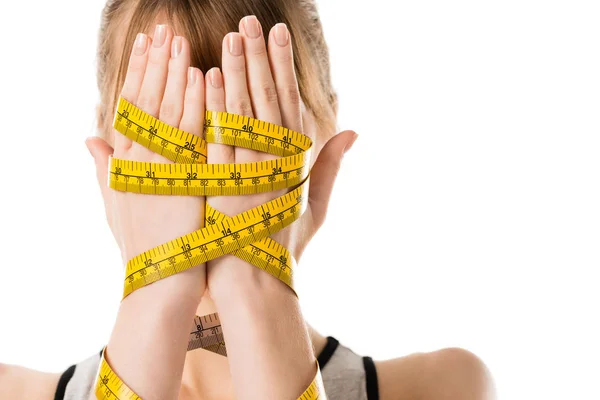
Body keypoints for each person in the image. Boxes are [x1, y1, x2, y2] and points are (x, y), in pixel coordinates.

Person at [0, 1, 495, 399]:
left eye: (252, 142)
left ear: (322, 154)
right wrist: (159, 290)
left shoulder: (447, 388)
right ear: (107, 161)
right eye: (169, 134)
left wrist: (254, 288)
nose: (214, 185)